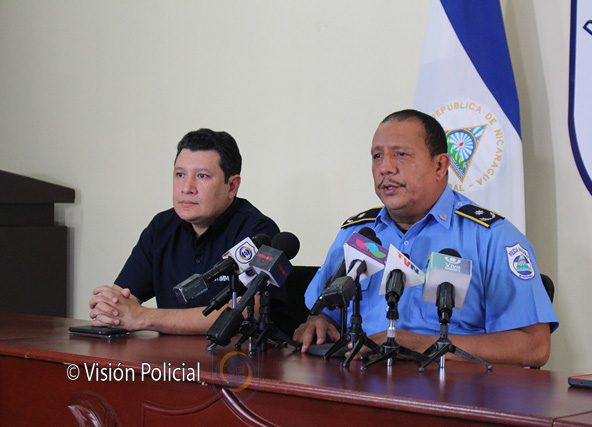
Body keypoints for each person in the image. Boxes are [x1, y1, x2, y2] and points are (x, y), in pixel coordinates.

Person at [294, 109, 558, 367]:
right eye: (377, 156)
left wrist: (424, 345)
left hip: (449, 387)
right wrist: (318, 323)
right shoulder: (357, 234)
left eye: (401, 154)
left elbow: (534, 346)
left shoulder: (492, 238)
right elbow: (322, 313)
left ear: (440, 165)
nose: (385, 168)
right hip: (357, 381)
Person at [89, 129, 279, 334]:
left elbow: (251, 309)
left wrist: (144, 317)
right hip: (166, 354)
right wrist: (109, 308)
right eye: (180, 175)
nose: (187, 188)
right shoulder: (161, 227)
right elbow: (122, 298)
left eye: (202, 176)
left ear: (232, 186)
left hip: (233, 353)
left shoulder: (259, 232)